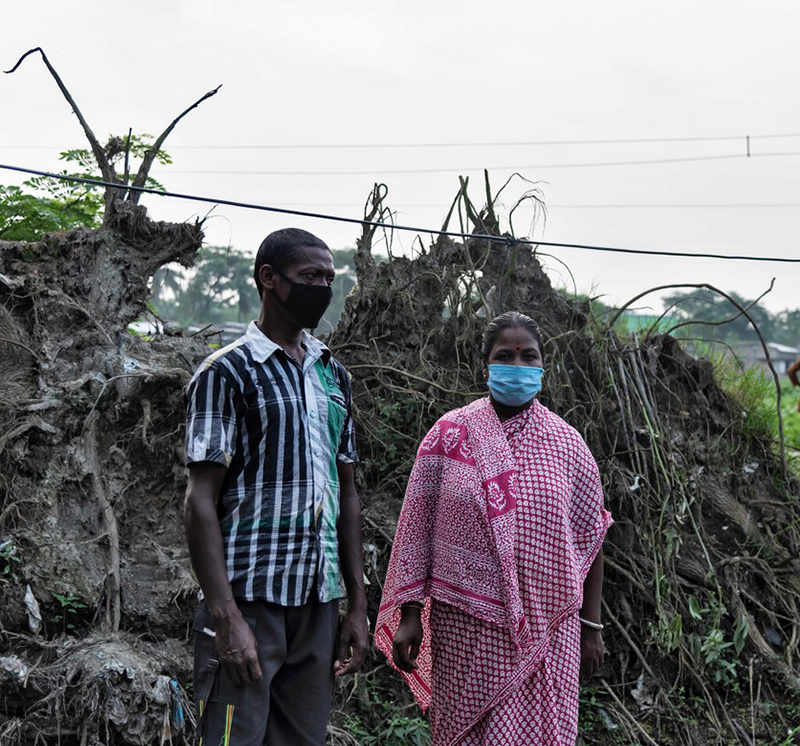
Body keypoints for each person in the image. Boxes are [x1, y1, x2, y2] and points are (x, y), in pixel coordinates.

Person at [375, 311, 613, 746]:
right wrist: (410, 614)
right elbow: (416, 529)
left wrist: (592, 627)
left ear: (543, 365)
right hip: (467, 631)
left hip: (547, 633)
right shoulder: (448, 436)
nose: (518, 366)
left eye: (528, 356)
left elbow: (590, 538)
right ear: (485, 364)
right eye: (506, 355)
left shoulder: (568, 445)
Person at [183, 228, 369, 746]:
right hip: (249, 601)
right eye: (310, 277)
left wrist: (355, 604)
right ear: (269, 279)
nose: (322, 289)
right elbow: (200, 501)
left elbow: (347, 493)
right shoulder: (226, 373)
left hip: (317, 603)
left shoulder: (334, 376)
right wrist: (226, 617)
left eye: (329, 279)